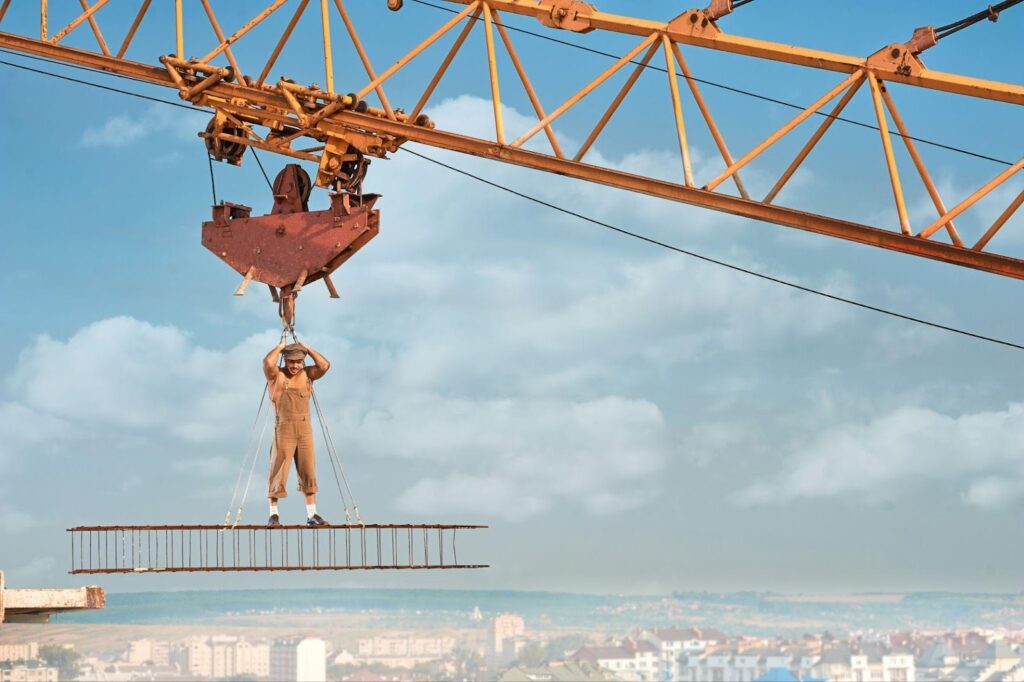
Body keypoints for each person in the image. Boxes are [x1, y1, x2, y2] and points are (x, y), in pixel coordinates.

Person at [264, 340, 331, 526]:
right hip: (284, 427)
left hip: (304, 428)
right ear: (285, 360)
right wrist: (279, 346)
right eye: (291, 361)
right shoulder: (276, 375)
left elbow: (324, 365)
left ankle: (312, 515)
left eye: (299, 361)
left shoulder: (307, 374)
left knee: (308, 469)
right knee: (278, 469)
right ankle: (273, 514)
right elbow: (268, 362)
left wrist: (308, 348)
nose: (295, 366)